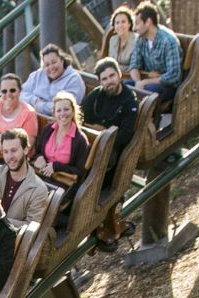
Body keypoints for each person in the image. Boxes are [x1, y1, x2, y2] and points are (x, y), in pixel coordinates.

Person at [81, 58, 140, 250]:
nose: (109, 81)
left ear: (119, 75)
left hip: (113, 150)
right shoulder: (95, 97)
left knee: (100, 168)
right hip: (93, 145)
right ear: (99, 82)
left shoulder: (129, 100)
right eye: (104, 79)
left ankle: (99, 213)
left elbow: (123, 135)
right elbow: (82, 121)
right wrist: (102, 131)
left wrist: (101, 130)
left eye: (111, 76)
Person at [31, 93, 91, 215]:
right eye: (59, 110)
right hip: (41, 176)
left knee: (41, 204)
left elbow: (80, 172)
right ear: (54, 113)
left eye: (66, 109)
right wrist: (39, 157)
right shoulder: (48, 130)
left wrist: (56, 166)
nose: (62, 113)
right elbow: (36, 152)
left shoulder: (80, 140)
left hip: (62, 183)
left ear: (73, 111)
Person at [0, 128, 55, 228]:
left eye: (14, 150)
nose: (10, 156)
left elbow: (32, 227)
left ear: (26, 149)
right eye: (6, 152)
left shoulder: (39, 189)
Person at [128, 1, 183, 106]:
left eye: (137, 23)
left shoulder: (168, 41)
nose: (134, 28)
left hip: (168, 87)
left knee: (149, 92)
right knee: (124, 86)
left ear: (148, 22)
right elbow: (134, 64)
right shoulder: (140, 39)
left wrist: (145, 83)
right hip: (147, 81)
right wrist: (138, 82)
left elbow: (173, 75)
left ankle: (148, 121)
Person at [0, 73, 40, 156]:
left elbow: (27, 146)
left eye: (12, 90)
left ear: (20, 91)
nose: (8, 94)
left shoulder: (29, 114)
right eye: (4, 91)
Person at [20, 43, 85, 116]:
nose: (51, 67)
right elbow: (22, 94)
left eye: (54, 62)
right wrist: (35, 100)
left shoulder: (74, 79)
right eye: (47, 65)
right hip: (33, 117)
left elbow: (66, 107)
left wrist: (39, 106)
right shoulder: (37, 75)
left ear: (62, 60)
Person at [106, 6, 137, 73]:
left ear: (129, 24)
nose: (120, 25)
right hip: (116, 76)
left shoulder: (136, 40)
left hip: (132, 77)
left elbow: (134, 67)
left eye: (123, 22)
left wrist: (116, 68)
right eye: (117, 23)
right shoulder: (112, 40)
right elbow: (110, 64)